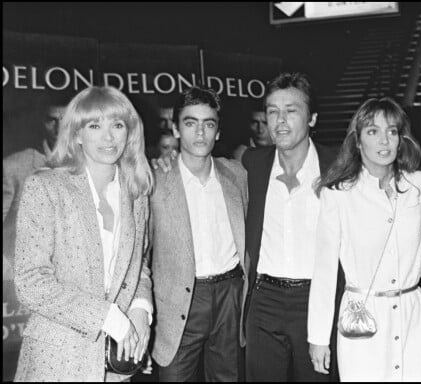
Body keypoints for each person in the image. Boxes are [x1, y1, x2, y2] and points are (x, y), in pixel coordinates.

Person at [13, 86, 154, 381]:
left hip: (115, 364)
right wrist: (107, 317)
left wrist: (142, 309)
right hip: (56, 360)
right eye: (95, 125)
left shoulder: (136, 194)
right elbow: (30, 283)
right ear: (77, 134)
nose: (108, 137)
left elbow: (137, 269)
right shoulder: (46, 188)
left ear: (129, 133)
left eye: (117, 125)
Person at [308, 97, 421, 381]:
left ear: (401, 139)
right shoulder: (338, 194)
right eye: (373, 131)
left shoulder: (420, 185)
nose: (384, 140)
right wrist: (318, 337)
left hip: (411, 314)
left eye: (392, 131)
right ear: (358, 141)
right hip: (362, 316)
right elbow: (324, 270)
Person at [242, 72, 343, 382]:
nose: (280, 120)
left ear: (312, 118)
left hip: (316, 300)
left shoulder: (338, 165)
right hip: (264, 300)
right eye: (272, 111)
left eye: (291, 110)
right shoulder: (252, 164)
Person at [149, 86, 248, 382]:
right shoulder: (154, 181)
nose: (200, 133)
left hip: (230, 294)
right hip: (179, 300)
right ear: (177, 129)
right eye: (190, 123)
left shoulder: (237, 175)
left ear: (218, 131)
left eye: (209, 124)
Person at [3, 98, 67, 281]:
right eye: (51, 120)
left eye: (66, 120)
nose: (59, 128)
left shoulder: (92, 165)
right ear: (42, 122)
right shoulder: (14, 167)